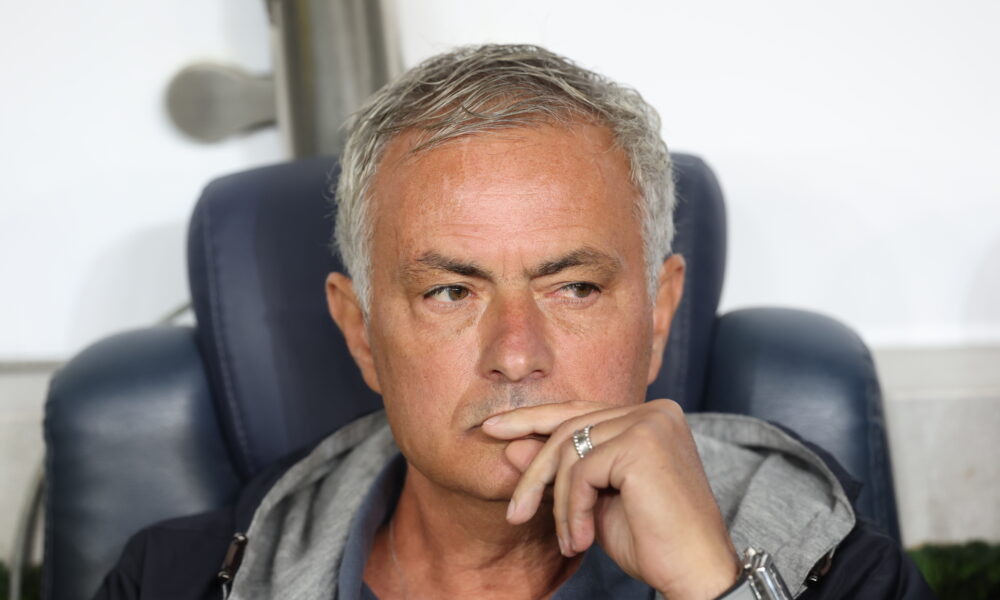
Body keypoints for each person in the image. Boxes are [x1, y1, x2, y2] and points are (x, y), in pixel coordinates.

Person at [95, 44, 934, 599]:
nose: (516, 355)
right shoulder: (171, 580)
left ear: (659, 316)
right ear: (360, 333)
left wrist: (717, 590)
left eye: (574, 288)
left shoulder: (837, 568)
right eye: (450, 293)